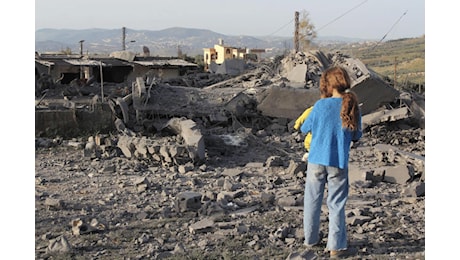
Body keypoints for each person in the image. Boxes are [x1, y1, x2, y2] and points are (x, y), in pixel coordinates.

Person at [300, 66, 362, 259]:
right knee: (336, 203)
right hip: (338, 161)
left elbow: (304, 128)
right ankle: (335, 246)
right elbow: (356, 135)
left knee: (312, 199)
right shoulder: (351, 104)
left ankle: (310, 239)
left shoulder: (320, 105)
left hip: (316, 159)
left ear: (327, 84)